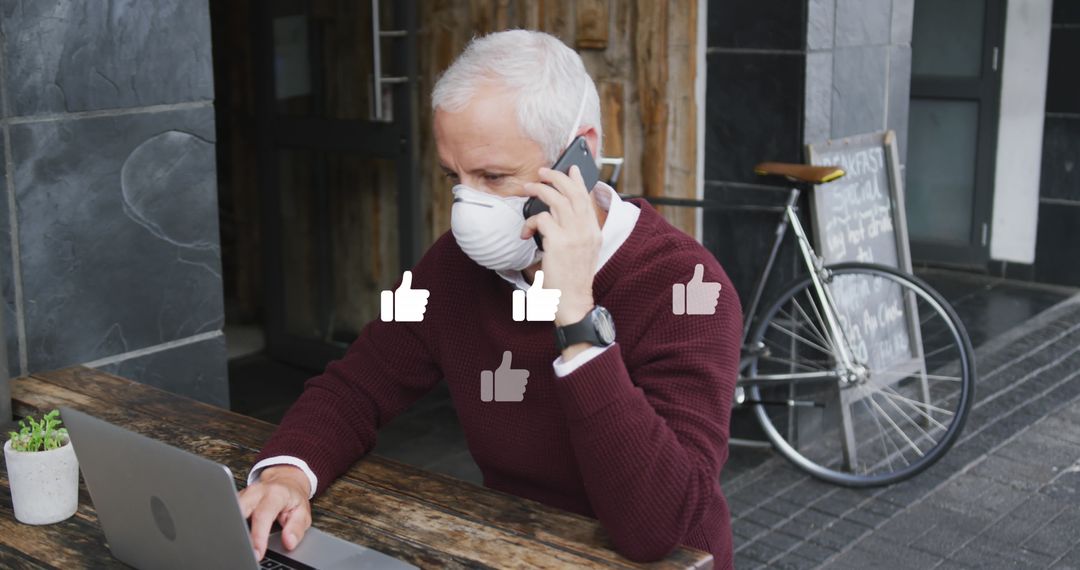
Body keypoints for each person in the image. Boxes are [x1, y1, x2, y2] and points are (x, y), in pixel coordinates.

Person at [238, 29, 741, 568]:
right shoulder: (453, 264)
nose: (467, 210)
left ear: (581, 155)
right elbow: (358, 382)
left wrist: (576, 316)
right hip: (517, 551)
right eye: (454, 177)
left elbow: (658, 528)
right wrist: (289, 471)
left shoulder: (688, 288)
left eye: (494, 177)